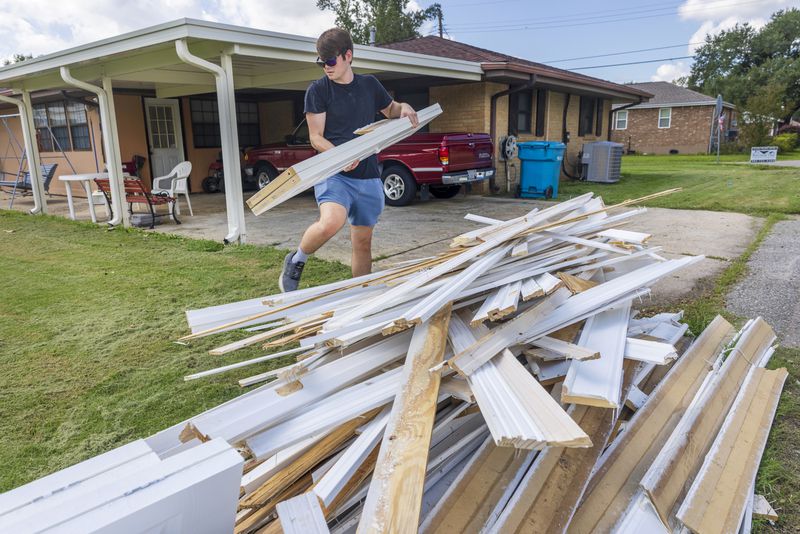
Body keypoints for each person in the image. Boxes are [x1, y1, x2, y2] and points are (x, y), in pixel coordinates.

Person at [279, 27, 419, 293]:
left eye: (330, 61)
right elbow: (315, 137)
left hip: (368, 176)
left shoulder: (369, 85)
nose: (326, 68)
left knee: (363, 242)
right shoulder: (318, 90)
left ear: (348, 56)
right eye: (321, 63)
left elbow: (391, 110)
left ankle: (360, 295)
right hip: (335, 172)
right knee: (331, 222)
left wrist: (405, 107)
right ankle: (297, 259)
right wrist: (340, 157)